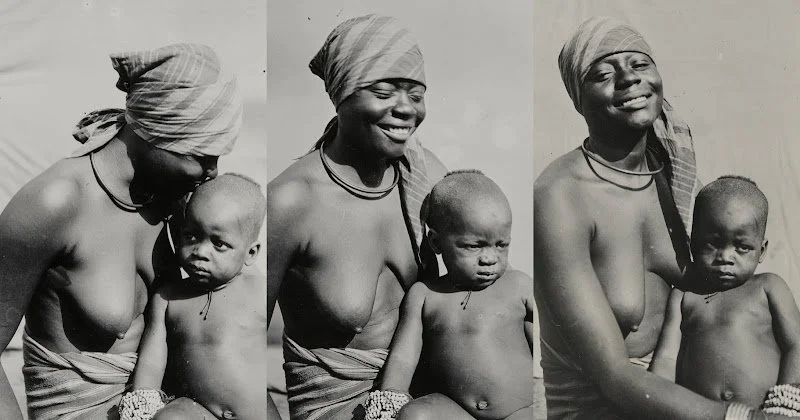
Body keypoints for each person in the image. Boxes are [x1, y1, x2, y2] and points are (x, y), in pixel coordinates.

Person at [534, 17, 791, 419]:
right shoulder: (559, 195)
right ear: (578, 99)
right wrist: (745, 416)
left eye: (640, 64)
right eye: (603, 74)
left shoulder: (675, 175)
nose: (628, 78)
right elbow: (613, 377)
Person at [0, 43, 242, 419]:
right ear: (155, 133)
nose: (212, 173)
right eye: (202, 156)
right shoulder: (55, 203)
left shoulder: (173, 204)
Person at [267, 14, 447, 420]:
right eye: (383, 92)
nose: (406, 109)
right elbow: (238, 343)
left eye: (417, 95)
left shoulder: (425, 177)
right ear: (342, 95)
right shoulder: (291, 201)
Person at [371, 170, 534, 420]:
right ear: (436, 243)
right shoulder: (425, 295)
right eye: (474, 246)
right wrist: (388, 401)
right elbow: (403, 357)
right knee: (414, 415)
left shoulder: (519, 286)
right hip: (458, 412)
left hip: (518, 411)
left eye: (501, 245)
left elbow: (547, 345)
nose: (490, 258)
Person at [648, 176, 800, 413]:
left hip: (764, 414)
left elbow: (796, 345)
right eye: (713, 243)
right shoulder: (684, 296)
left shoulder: (768, 287)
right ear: (693, 244)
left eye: (742, 247)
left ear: (761, 250)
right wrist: (656, 405)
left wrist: (783, 407)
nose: (726, 257)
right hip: (698, 415)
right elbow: (667, 358)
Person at [123, 173, 267, 420]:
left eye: (219, 243)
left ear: (250, 253)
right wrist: (141, 410)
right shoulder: (168, 298)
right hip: (197, 411)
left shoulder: (258, 291)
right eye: (191, 236)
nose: (200, 251)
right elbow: (151, 363)